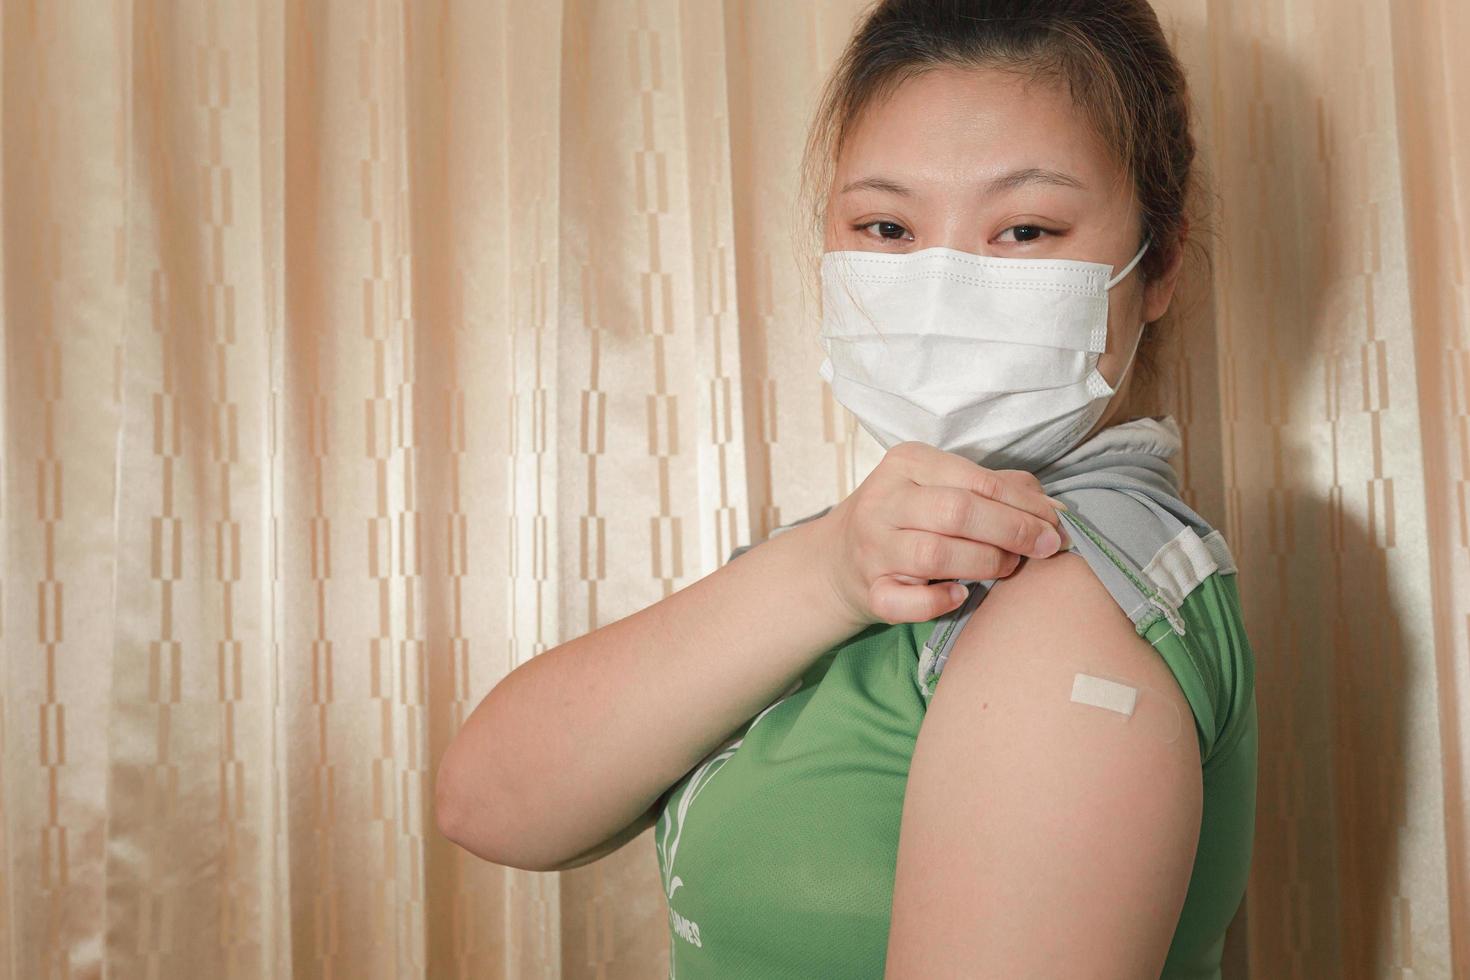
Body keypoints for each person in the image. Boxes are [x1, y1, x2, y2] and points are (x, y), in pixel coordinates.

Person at [436, 1, 1258, 977]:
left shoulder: (1072, 598)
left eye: (1025, 228)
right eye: (887, 225)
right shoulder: (854, 549)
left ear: (1156, 261)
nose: (943, 283)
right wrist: (826, 571)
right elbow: (486, 803)